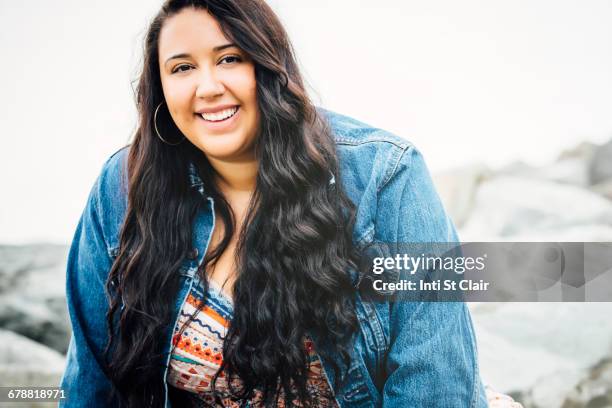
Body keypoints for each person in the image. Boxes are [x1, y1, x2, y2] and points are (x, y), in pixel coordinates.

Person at [59, 0, 491, 407]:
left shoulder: (387, 176)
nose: (207, 87)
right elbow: (91, 382)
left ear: (269, 66)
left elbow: (436, 380)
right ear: (161, 90)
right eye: (182, 67)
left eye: (229, 59)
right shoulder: (122, 189)